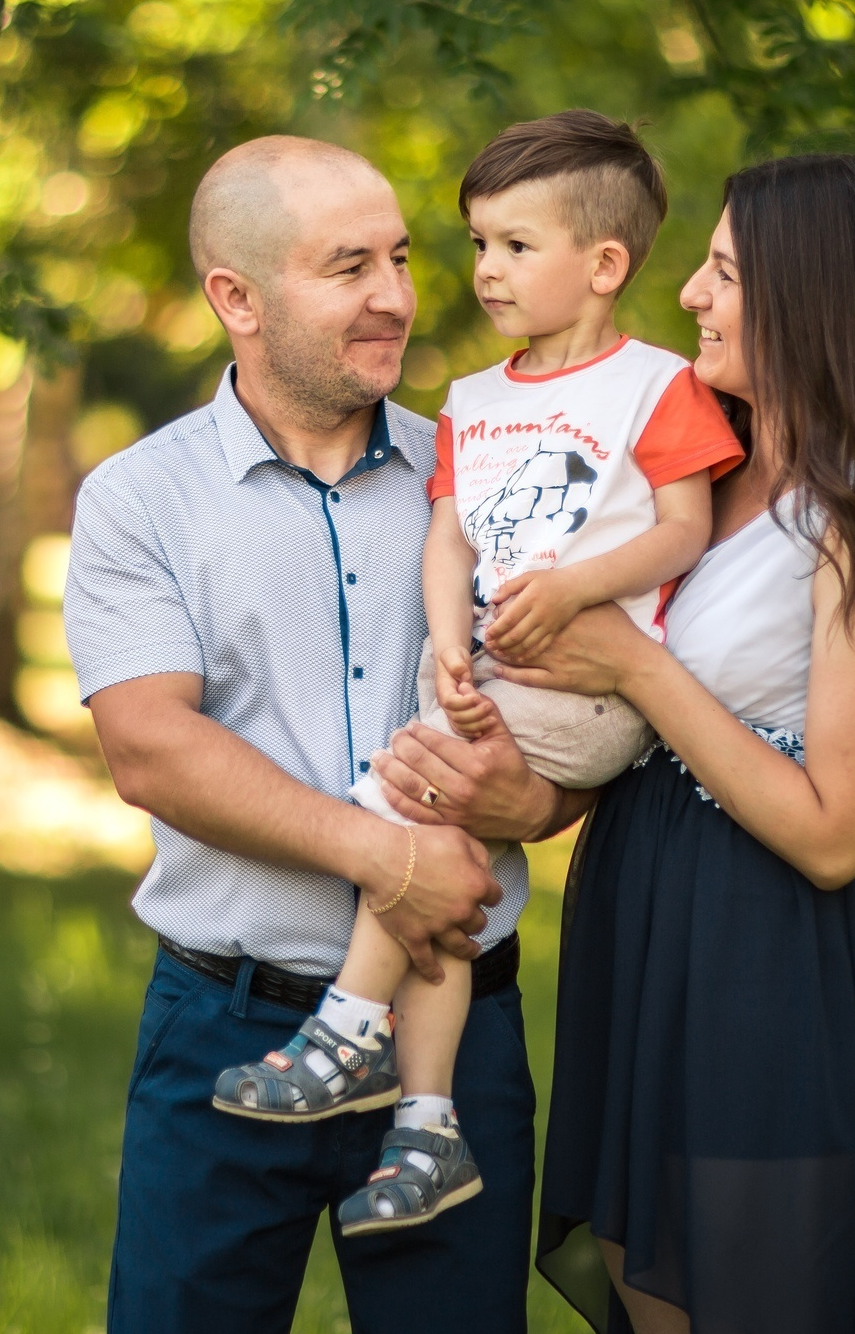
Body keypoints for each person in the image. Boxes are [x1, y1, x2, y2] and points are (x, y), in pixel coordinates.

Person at [375, 152, 855, 1334]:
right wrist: (520, 792)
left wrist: (628, 657)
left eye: (724, 273)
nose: (690, 298)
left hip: (765, 949)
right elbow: (631, 736)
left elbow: (835, 832)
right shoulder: (706, 479)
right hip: (640, 910)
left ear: (814, 298)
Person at [64, 135, 584, 1334]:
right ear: (237, 295)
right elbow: (152, 747)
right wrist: (384, 852)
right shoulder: (140, 498)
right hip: (223, 1032)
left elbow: (575, 702)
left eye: (403, 257)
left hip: (456, 1036)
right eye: (347, 265)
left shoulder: (490, 468)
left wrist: (541, 802)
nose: (398, 294)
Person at [210, 112, 742, 1243]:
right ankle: (427, 1123)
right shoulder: (472, 401)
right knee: (439, 877)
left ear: (604, 266)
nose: (482, 271)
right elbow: (447, 540)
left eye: (514, 245)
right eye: (477, 244)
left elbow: (685, 530)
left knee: (412, 817)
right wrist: (448, 645)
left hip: (589, 691)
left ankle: (351, 1030)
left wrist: (577, 587)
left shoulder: (653, 389)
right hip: (487, 681)